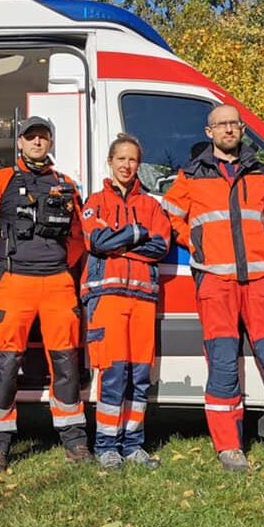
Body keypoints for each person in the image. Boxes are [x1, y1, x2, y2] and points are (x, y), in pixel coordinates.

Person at [163, 104, 264, 472]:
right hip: (215, 282)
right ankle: (229, 447)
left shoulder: (262, 173)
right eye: (222, 125)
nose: (229, 130)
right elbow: (170, 214)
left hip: (260, 281)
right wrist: (195, 242)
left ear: (240, 130)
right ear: (209, 132)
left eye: (234, 124)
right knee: (222, 364)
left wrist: (262, 242)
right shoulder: (190, 175)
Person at [0, 115, 92, 473]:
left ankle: (74, 441)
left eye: (43, 137)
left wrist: (60, 266)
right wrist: (1, 265)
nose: (38, 142)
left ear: (50, 143)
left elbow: (79, 236)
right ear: (19, 142)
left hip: (57, 284)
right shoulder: (1, 180)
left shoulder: (66, 184)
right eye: (31, 137)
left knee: (66, 364)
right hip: (14, 284)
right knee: (6, 366)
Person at [80, 133, 170, 470]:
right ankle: (106, 446)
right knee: (114, 373)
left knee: (140, 375)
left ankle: (133, 445)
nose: (127, 165)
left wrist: (122, 240)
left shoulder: (152, 205)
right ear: (110, 161)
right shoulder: (94, 202)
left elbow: (159, 246)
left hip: (143, 298)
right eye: (121, 159)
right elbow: (96, 240)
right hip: (107, 297)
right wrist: (136, 234)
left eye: (133, 160)